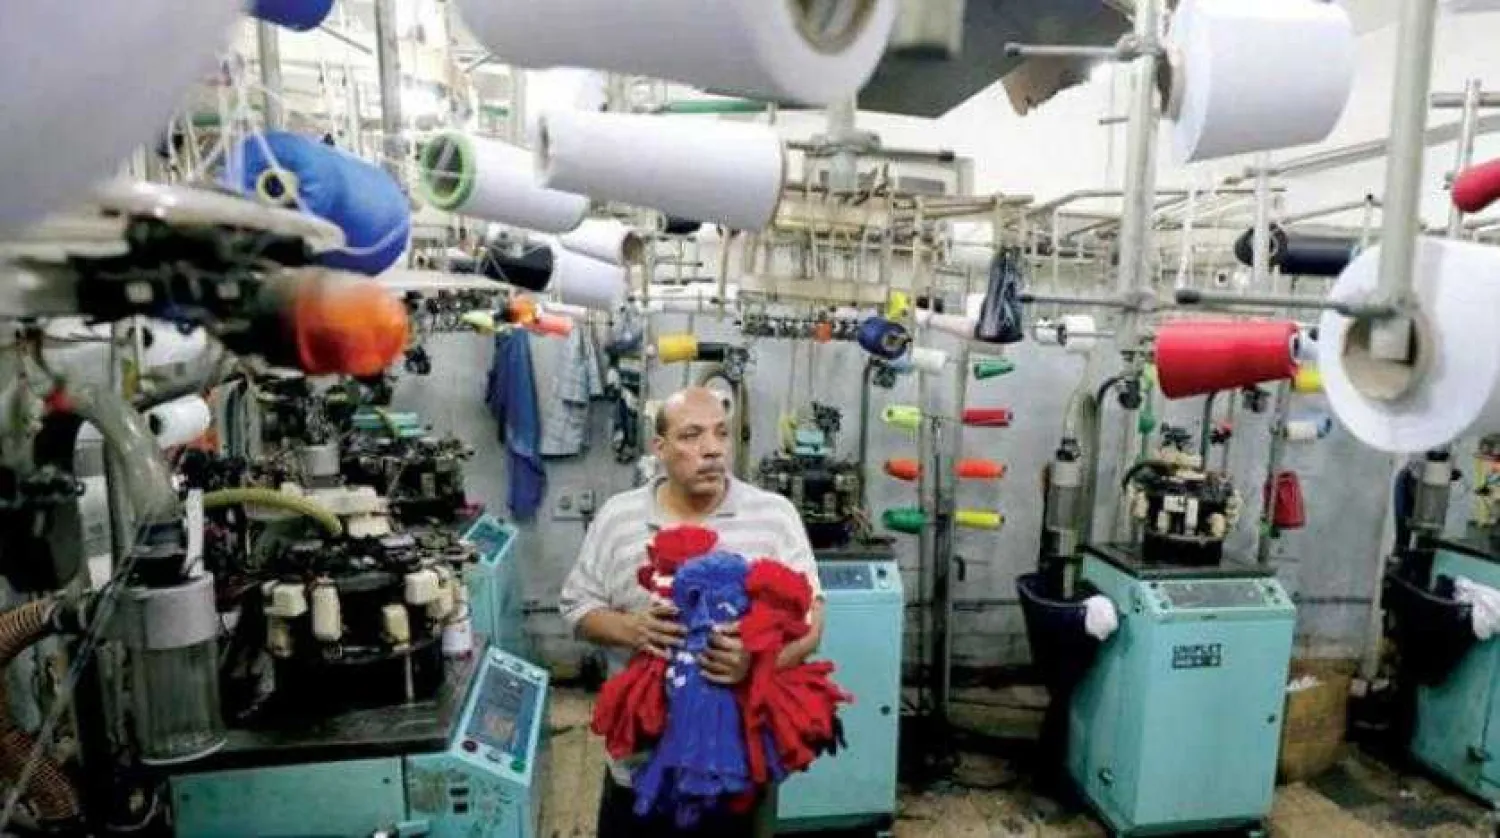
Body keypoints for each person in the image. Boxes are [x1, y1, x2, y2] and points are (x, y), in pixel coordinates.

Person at [559, 386, 826, 838]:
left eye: (721, 433)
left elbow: (812, 622)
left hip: (737, 769)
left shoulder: (774, 516)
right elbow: (577, 607)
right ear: (659, 448)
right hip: (639, 764)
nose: (712, 449)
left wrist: (756, 664)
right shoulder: (619, 518)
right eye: (691, 435)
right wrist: (631, 628)